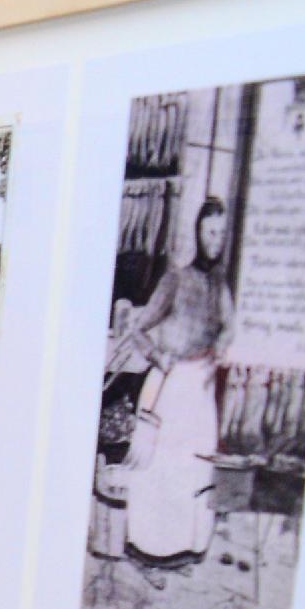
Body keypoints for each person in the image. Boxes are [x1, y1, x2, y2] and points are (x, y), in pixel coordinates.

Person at [110, 196, 234, 575]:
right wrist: (159, 357)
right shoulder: (176, 279)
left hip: (201, 388)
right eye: (210, 232)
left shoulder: (218, 284)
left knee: (193, 469)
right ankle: (150, 550)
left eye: (221, 233)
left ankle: (183, 550)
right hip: (173, 384)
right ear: (198, 232)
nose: (215, 240)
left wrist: (223, 348)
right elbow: (137, 328)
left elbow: (228, 325)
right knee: (161, 469)